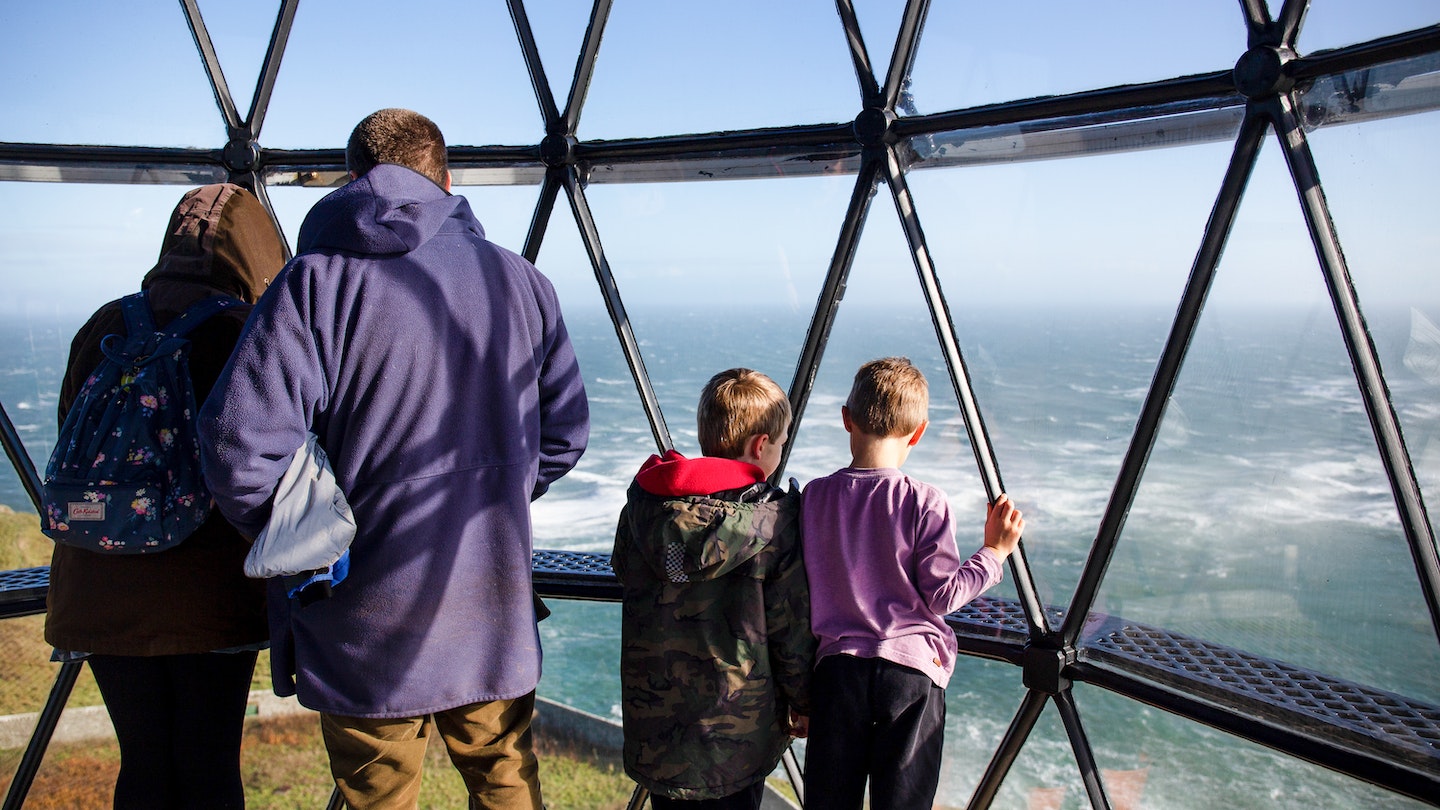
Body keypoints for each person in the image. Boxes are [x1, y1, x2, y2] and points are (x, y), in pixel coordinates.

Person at [197, 108, 590, 810]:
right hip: (490, 608)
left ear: (352, 179)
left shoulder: (313, 285)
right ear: (445, 179)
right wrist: (487, 499)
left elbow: (238, 446)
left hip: (360, 621)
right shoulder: (522, 283)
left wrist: (308, 539)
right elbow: (563, 434)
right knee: (508, 790)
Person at [44, 183, 284, 810]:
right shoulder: (242, 330)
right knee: (208, 764)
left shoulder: (107, 322)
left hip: (98, 583)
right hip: (208, 591)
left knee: (144, 763)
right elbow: (264, 459)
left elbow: (73, 431)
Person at [800, 356, 1026, 810]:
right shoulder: (925, 501)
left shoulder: (814, 496)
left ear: (846, 419)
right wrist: (995, 552)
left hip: (837, 674)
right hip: (910, 676)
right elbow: (942, 596)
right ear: (918, 433)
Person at [611, 368, 814, 810]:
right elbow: (790, 630)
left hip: (661, 738)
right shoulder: (774, 525)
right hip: (737, 740)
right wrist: (804, 701)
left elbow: (623, 568)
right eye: (779, 443)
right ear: (761, 445)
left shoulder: (645, 507)